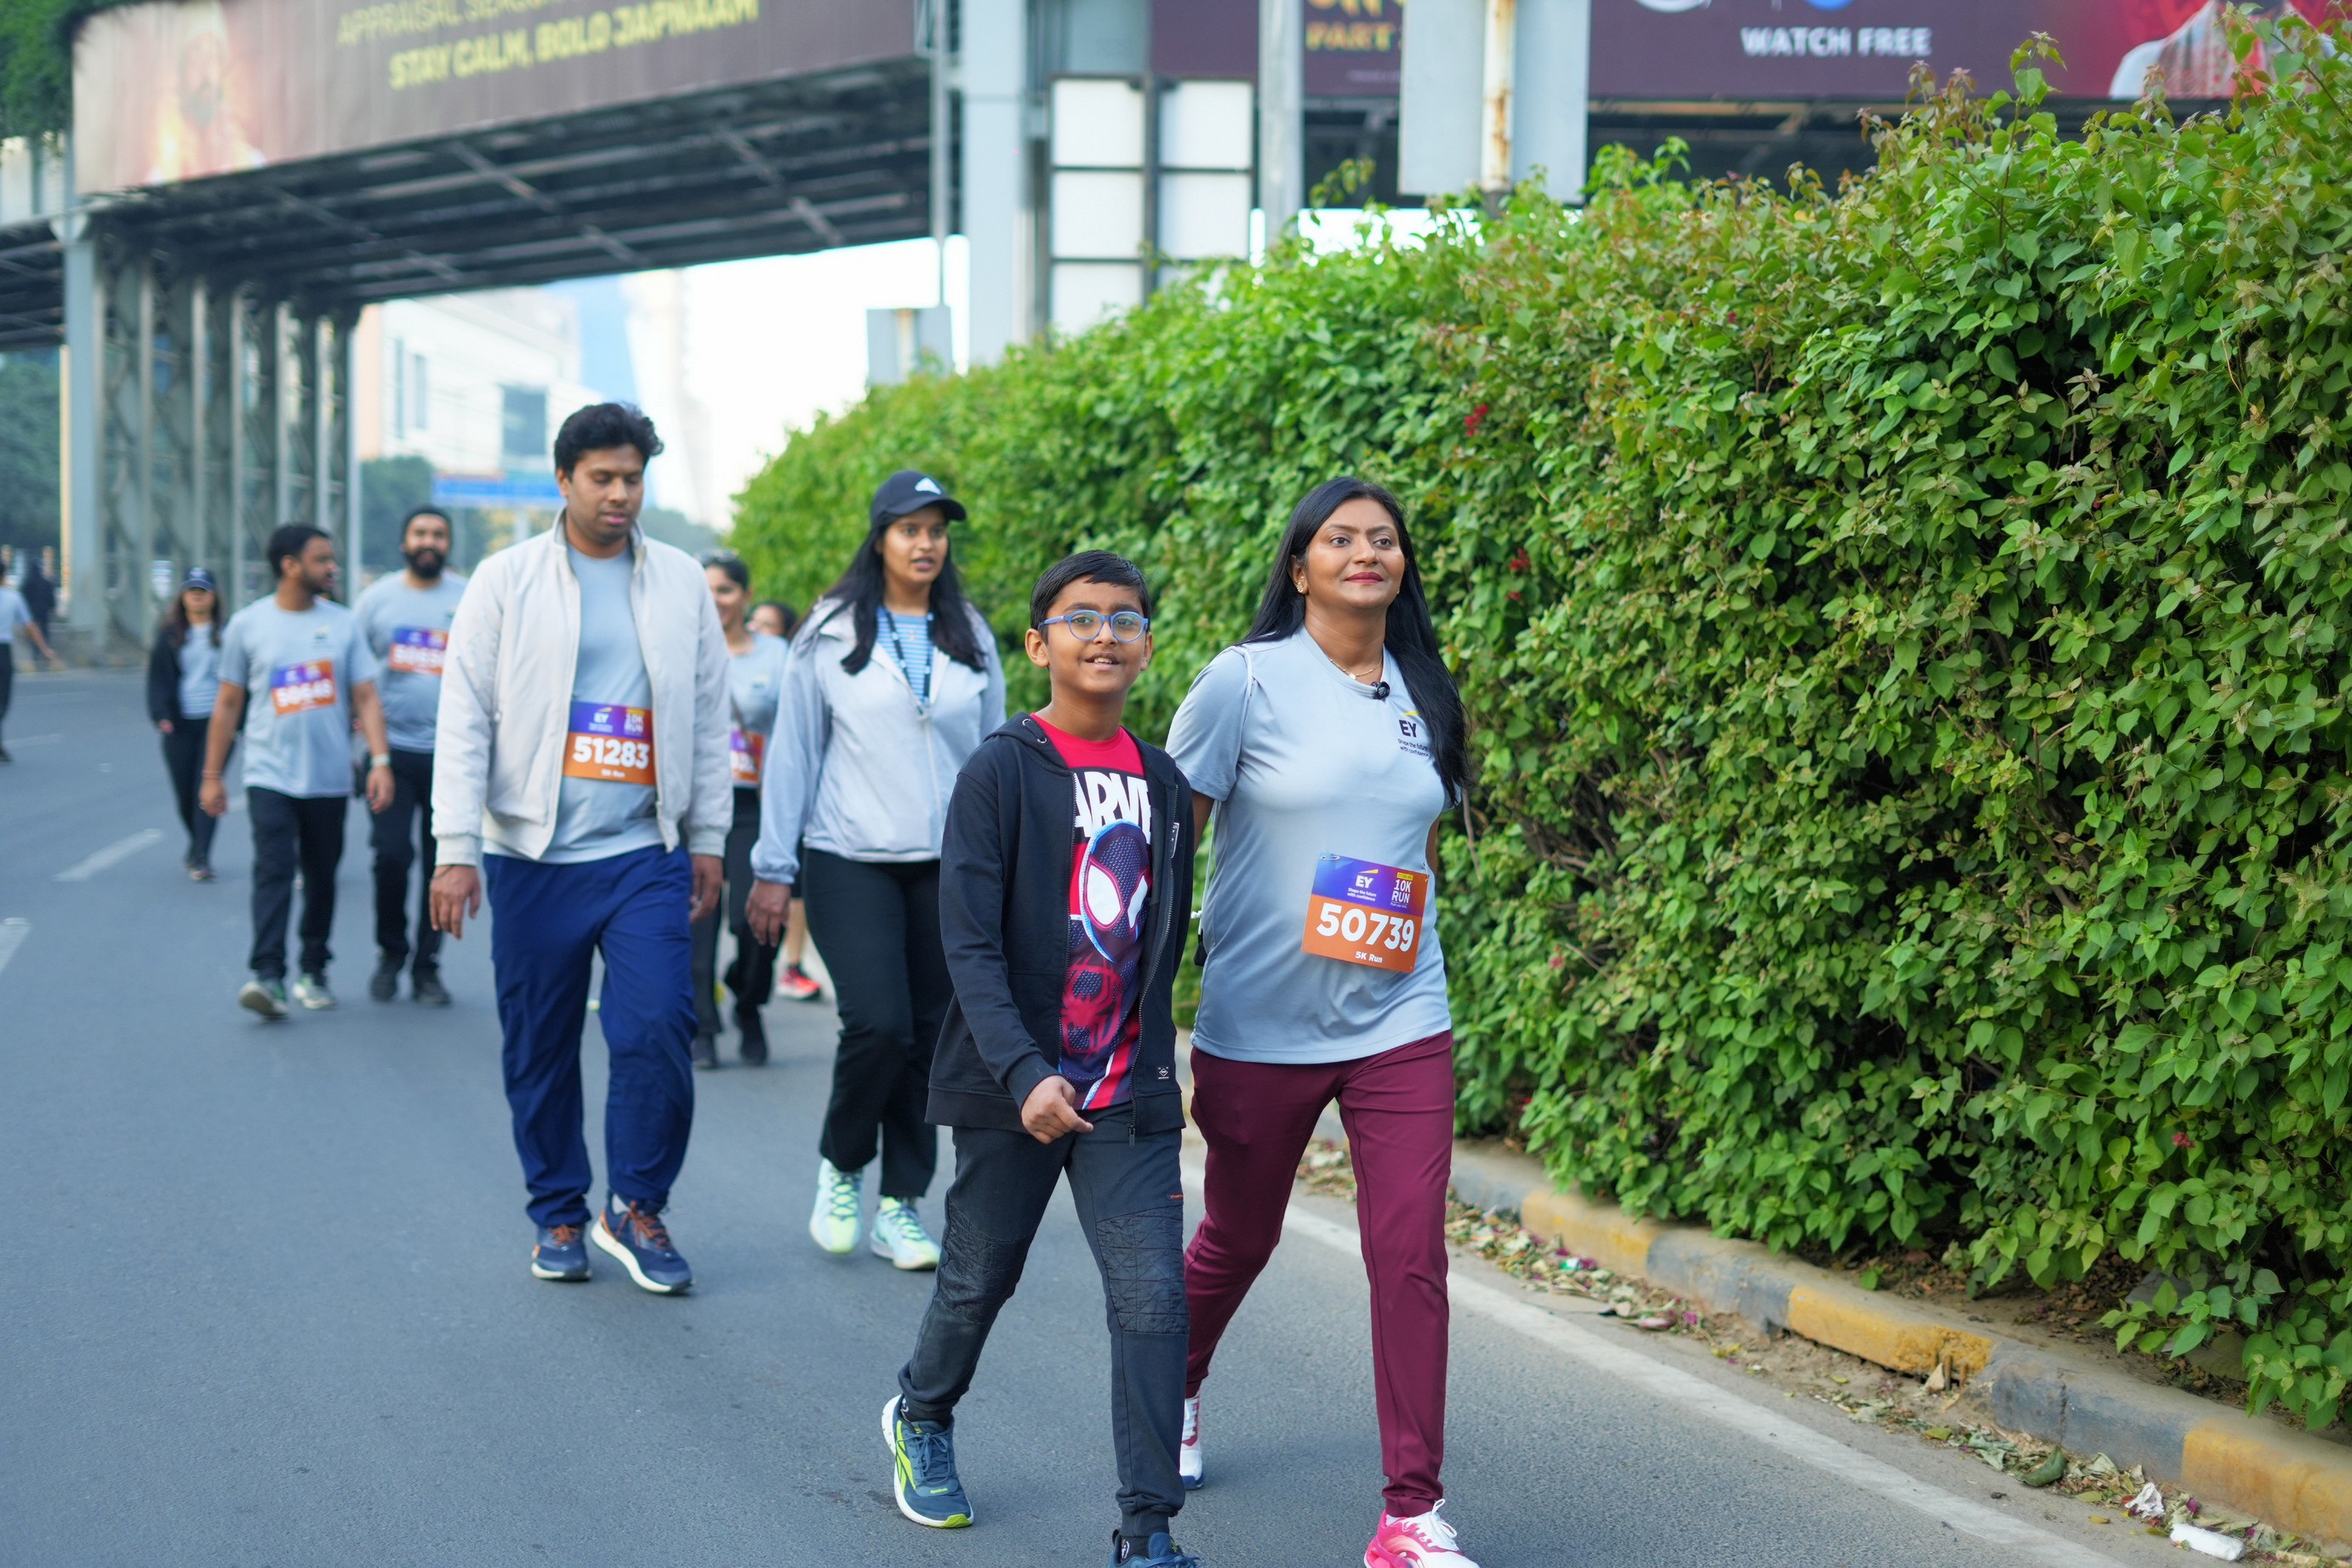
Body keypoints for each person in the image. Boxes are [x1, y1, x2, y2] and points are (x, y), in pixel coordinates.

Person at [1165, 477, 1478, 1568]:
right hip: (1261, 1019)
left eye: (1383, 539)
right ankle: (1175, 1383)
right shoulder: (1241, 681)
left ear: (1403, 566)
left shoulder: (1423, 687)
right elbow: (1169, 845)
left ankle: (1410, 1514)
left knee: (1410, 1254)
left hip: (1401, 1013)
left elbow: (1418, 849)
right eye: (1339, 539)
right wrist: (1135, 1004)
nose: (1364, 553)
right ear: (1299, 567)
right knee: (1238, 1236)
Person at [879, 552, 1200, 1568]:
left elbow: (1159, 942)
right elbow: (967, 941)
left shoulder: (1165, 784)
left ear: (1147, 646)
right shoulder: (1001, 769)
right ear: (1037, 644)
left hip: (1125, 1091)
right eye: (1080, 617)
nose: (1104, 634)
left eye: (1125, 618)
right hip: (1011, 1085)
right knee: (979, 1277)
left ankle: (1146, 1530)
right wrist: (1024, 1074)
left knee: (1153, 1298)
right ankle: (922, 1411)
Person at [429, 402, 731, 1294]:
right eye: (602, 477)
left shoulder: (680, 581)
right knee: (540, 1044)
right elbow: (463, 714)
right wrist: (455, 845)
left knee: (657, 1027)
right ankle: (558, 1209)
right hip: (533, 856)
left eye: (632, 477)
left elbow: (708, 715)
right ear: (564, 480)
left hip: (644, 849)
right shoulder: (505, 579)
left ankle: (635, 1205)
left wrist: (709, 836)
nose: (619, 493)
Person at [746, 470, 1006, 1270]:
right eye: (910, 529)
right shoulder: (828, 632)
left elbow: (994, 752)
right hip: (848, 855)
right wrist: (773, 865)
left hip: (947, 865)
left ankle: (901, 1206)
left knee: (930, 1038)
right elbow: (794, 752)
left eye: (937, 529)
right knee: (878, 1023)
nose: (926, 543)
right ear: (880, 538)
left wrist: (1003, 865)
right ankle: (842, 1162)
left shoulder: (970, 631)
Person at [200, 525, 395, 1019]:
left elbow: (366, 696)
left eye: (332, 559)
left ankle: (314, 969)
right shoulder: (247, 625)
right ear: (289, 566)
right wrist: (212, 775)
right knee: (274, 870)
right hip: (269, 773)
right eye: (322, 560)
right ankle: (268, 975)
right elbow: (228, 704)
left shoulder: (343, 624)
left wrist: (380, 761)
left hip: (329, 777)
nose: (332, 568)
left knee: (321, 875)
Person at [354, 506, 468, 1006]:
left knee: (443, 865)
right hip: (390, 755)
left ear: (448, 544)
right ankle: (390, 954)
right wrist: (363, 751)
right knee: (392, 856)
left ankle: (427, 967)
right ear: (404, 542)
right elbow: (354, 677)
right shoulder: (375, 601)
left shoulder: (469, 598)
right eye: (420, 533)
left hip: (452, 758)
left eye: (438, 535)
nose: (429, 541)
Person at [687, 551, 791, 1067]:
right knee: (696, 920)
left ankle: (748, 1001)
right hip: (693, 804)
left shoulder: (777, 654)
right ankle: (702, 1027)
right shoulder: (678, 646)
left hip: (755, 805)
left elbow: (795, 728)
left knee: (758, 923)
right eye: (705, 591)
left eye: (725, 590)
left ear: (746, 596)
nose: (715, 601)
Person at [748, 597, 824, 1003]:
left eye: (769, 626)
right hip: (742, 798)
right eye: (755, 623)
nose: (758, 631)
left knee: (794, 893)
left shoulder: (791, 669)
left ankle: (791, 965)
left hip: (787, 797)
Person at [147, 567, 228, 879]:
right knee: (185, 794)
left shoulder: (228, 634)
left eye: (203, 591)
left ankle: (203, 855)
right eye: (192, 591)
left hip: (216, 723)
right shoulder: (169, 635)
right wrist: (161, 715)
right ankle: (197, 843)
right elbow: (157, 679)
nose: (197, 596)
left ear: (214, 596)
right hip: (180, 724)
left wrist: (239, 722)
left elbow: (241, 681)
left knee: (206, 787)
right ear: (182, 596)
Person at [0, 562, 58, 762]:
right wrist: (45, 649)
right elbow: (30, 626)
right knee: (3, 699)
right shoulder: (13, 598)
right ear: (5, 576)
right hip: (3, 652)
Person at [21, 548, 56, 644]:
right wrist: (52, 607)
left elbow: (23, 598)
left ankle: (34, 646)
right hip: (43, 611)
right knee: (44, 630)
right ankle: (45, 645)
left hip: (30, 611)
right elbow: (50, 597)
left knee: (32, 631)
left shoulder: (27, 583)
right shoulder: (46, 583)